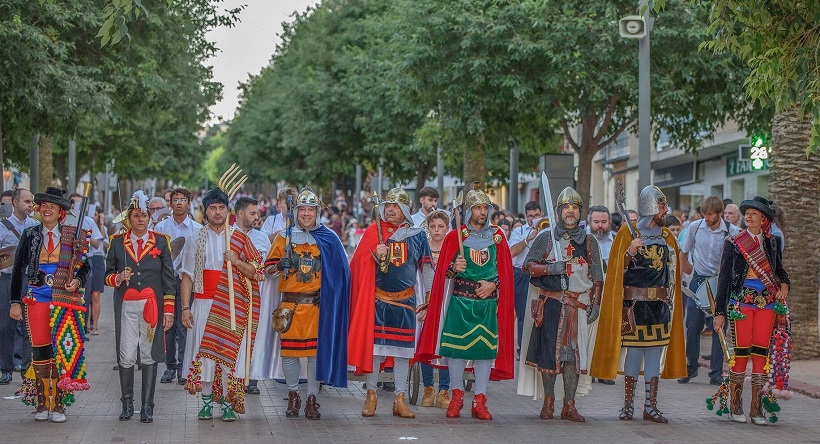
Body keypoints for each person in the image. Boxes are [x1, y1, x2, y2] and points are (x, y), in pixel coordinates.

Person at [415, 186, 515, 420]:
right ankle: (456, 396)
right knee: (456, 351)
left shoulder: (498, 236)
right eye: (477, 208)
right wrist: (453, 268)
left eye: (485, 207)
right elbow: (442, 277)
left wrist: (494, 284)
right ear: (469, 210)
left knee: (484, 352)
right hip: (460, 303)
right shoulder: (455, 237)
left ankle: (479, 400)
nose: (482, 212)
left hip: (487, 305)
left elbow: (506, 274)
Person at [590, 185, 686, 424]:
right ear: (652, 208)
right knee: (633, 354)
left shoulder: (667, 237)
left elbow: (673, 270)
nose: (666, 211)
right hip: (634, 306)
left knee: (654, 354)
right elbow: (615, 271)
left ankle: (650, 407)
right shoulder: (626, 234)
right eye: (662, 207)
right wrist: (630, 253)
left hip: (659, 307)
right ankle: (628, 405)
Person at [517, 187, 604, 422]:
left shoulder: (588, 241)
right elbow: (527, 267)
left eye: (574, 207)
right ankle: (548, 403)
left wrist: (595, 304)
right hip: (552, 304)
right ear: (558, 211)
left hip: (577, 306)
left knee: (572, 358)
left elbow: (597, 278)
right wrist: (550, 268)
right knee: (549, 356)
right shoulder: (546, 238)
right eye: (566, 207)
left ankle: (569, 405)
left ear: (580, 212)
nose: (571, 211)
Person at [263, 187, 350, 420]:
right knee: (290, 354)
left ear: (317, 212)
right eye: (302, 209)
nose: (306, 214)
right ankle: (293, 394)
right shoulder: (283, 238)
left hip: (316, 306)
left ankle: (312, 397)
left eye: (311, 210)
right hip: (289, 307)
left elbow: (341, 272)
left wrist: (332, 293)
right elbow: (268, 271)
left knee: (313, 355)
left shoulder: (329, 238)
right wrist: (278, 266)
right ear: (296, 211)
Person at [349, 187, 434, 419]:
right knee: (375, 351)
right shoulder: (373, 232)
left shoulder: (417, 235)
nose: (390, 210)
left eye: (396, 206)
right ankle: (371, 396)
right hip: (378, 301)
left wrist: (428, 299)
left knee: (402, 353)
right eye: (388, 205)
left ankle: (399, 399)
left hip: (406, 302)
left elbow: (426, 268)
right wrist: (373, 255)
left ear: (405, 209)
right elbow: (357, 266)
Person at [180, 187, 263, 422]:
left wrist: (236, 260)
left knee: (229, 356)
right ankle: (206, 402)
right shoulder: (194, 238)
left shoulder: (239, 238)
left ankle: (228, 403)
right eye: (213, 208)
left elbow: (256, 271)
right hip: (203, 304)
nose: (217, 212)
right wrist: (186, 307)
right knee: (205, 354)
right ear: (205, 212)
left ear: (228, 210)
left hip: (232, 306)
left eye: (221, 208)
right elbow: (186, 275)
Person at [9, 187, 91, 423]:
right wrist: (15, 301)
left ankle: (59, 405)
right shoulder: (30, 234)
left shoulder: (72, 235)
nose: (47, 209)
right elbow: (17, 271)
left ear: (60, 212)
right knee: (40, 351)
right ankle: (43, 403)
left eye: (52, 207)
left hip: (63, 299)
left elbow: (85, 266)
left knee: (62, 353)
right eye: (43, 205)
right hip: (36, 298)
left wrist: (77, 280)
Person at [713, 196, 789, 425]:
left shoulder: (773, 242)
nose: (748, 216)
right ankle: (735, 406)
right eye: (746, 213)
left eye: (753, 213)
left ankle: (756, 409)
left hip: (767, 304)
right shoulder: (734, 242)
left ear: (763, 219)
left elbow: (780, 272)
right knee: (741, 353)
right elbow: (724, 278)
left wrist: (784, 285)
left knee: (760, 353)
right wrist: (719, 312)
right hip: (742, 304)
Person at [105, 191, 176, 423]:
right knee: (125, 354)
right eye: (136, 215)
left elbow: (169, 279)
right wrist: (117, 278)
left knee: (148, 353)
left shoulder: (160, 241)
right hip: (126, 305)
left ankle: (147, 406)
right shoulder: (117, 242)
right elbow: (107, 276)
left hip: (151, 305)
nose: (140, 219)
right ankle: (127, 404)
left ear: (149, 217)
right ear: (129, 217)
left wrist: (168, 309)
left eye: (144, 215)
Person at [678, 196, 738, 386]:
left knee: (719, 327)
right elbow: (684, 252)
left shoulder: (732, 231)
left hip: (721, 283)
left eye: (710, 214)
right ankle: (691, 366)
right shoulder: (695, 227)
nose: (706, 217)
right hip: (698, 280)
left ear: (720, 213)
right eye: (704, 213)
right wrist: (680, 276)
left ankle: (716, 372)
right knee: (692, 326)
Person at [154, 186, 202, 384]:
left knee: (184, 323)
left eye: (183, 199)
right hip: (165, 279)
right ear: (170, 203)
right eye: (176, 199)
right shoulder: (160, 228)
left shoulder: (197, 230)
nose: (179, 203)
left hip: (186, 280)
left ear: (188, 203)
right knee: (167, 324)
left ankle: (183, 366)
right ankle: (170, 366)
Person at [0, 188, 39, 385]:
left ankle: (27, 369)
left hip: (29, 279)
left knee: (28, 326)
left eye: (31, 201)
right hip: (7, 280)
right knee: (6, 326)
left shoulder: (36, 226)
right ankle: (5, 369)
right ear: (15, 203)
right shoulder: (2, 227)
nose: (30, 205)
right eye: (26, 201)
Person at [418, 209, 451, 409]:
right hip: (427, 301)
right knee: (427, 345)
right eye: (433, 226)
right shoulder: (423, 247)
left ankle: (443, 390)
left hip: (447, 301)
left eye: (441, 227)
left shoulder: (453, 247)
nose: (437, 230)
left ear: (447, 228)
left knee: (446, 344)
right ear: (428, 228)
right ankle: (428, 388)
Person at [507, 201, 542, 358]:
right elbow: (512, 252)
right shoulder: (519, 231)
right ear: (526, 216)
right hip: (521, 273)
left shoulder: (548, 230)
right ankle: (523, 349)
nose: (533, 219)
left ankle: (539, 349)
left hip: (542, 272)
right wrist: (529, 238)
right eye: (530, 216)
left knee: (542, 311)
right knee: (523, 313)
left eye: (536, 216)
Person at [86, 205, 109, 336]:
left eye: (96, 214)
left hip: (98, 258)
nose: (93, 216)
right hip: (88, 257)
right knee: (87, 293)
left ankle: (95, 325)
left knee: (96, 294)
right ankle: (87, 324)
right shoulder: (84, 223)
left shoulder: (102, 228)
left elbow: (104, 243)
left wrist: (100, 223)